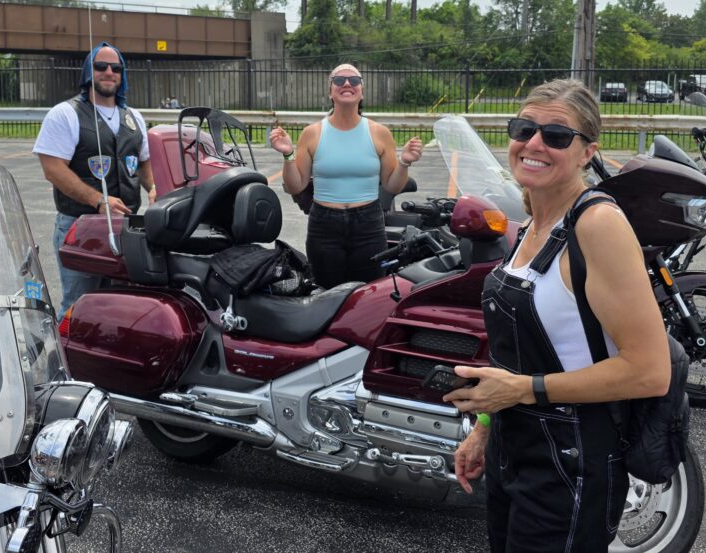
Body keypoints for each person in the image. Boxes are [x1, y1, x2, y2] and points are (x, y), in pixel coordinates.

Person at [442, 79, 671, 553]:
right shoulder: (533, 223)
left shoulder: (598, 225)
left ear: (588, 152)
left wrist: (524, 390)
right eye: (523, 129)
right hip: (514, 448)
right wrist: (484, 430)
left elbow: (650, 372)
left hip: (573, 460)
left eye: (557, 135)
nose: (534, 143)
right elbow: (516, 358)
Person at [268, 63, 423, 289]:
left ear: (362, 91)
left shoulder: (380, 133)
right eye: (339, 80)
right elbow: (295, 186)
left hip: (368, 225)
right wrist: (288, 154)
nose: (347, 83)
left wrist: (405, 162)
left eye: (354, 80)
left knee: (369, 293)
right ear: (330, 92)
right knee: (326, 293)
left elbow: (392, 185)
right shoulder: (312, 133)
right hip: (324, 226)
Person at [33, 42, 156, 318]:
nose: (109, 72)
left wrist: (153, 187)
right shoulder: (66, 114)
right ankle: (67, 346)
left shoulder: (133, 117)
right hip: (80, 227)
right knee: (79, 305)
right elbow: (53, 168)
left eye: (116, 68)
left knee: (122, 306)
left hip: (127, 228)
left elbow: (144, 161)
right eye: (101, 66)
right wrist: (99, 201)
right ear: (89, 72)